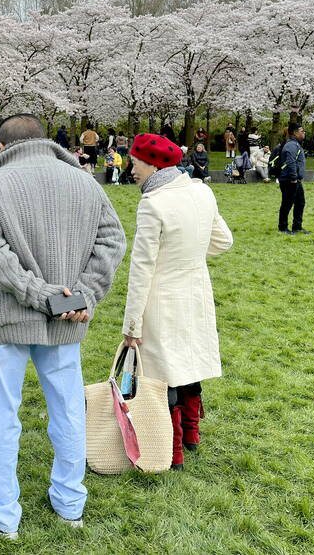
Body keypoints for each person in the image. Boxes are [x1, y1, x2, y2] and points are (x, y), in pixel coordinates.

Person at [0, 114, 126, 539]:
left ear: (2, 146)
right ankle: (70, 503)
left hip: (9, 316)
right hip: (64, 315)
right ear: (43, 140)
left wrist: (52, 297)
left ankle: (2, 512)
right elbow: (113, 241)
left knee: (3, 415)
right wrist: (79, 295)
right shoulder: (86, 182)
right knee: (69, 410)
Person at [121, 133, 233, 471]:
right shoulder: (202, 190)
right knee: (187, 361)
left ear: (154, 164)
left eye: (136, 163)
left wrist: (131, 325)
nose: (132, 170)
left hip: (160, 299)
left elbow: (141, 270)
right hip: (196, 292)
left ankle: (173, 450)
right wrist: (190, 256)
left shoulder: (152, 203)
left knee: (161, 372)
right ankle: (190, 434)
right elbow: (223, 240)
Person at [278, 123, 308, 235]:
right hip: (289, 180)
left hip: (295, 180)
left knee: (300, 203)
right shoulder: (291, 145)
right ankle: (283, 228)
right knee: (287, 204)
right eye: (302, 131)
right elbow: (290, 162)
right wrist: (293, 177)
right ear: (295, 133)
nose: (303, 133)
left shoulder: (296, 144)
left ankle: (297, 226)